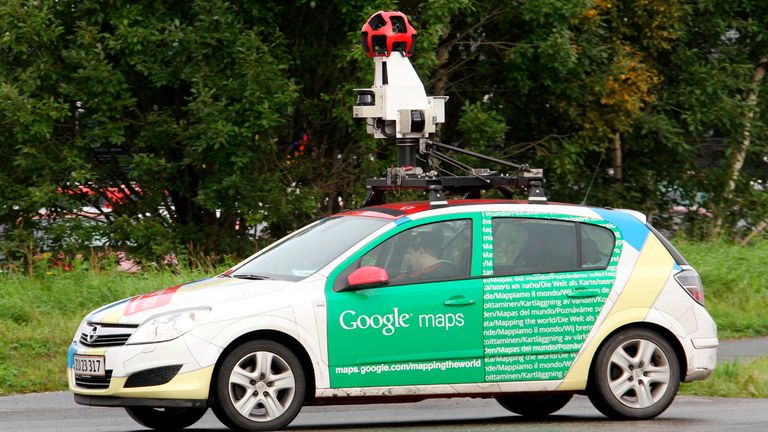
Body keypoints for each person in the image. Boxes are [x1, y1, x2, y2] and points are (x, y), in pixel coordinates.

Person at [397, 228, 462, 282]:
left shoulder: (429, 277)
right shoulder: (446, 269)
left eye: (410, 253)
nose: (409, 259)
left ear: (420, 252)